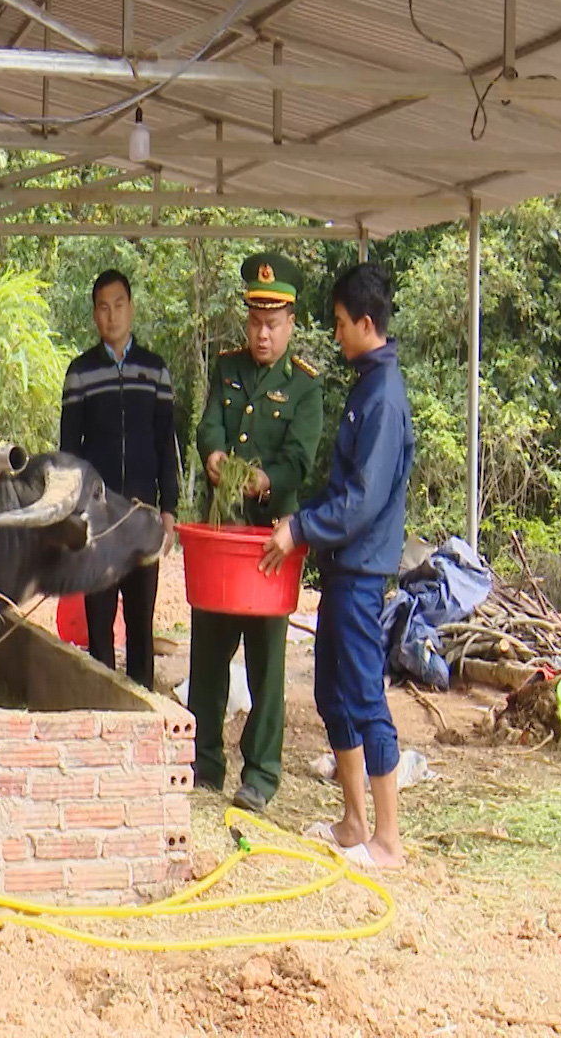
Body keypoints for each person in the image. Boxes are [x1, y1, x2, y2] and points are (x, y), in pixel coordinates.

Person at [260, 260, 415, 871]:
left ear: (367, 323)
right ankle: (353, 820)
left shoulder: (383, 398)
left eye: (342, 323)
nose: (336, 333)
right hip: (342, 567)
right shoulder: (365, 385)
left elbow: (362, 501)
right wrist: (301, 522)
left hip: (362, 568)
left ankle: (388, 840)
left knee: (363, 693)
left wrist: (299, 527)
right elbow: (338, 486)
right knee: (330, 690)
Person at [189, 252, 324, 814]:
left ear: (291, 323)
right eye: (254, 321)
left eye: (272, 323)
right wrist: (216, 456)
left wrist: (265, 481)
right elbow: (208, 427)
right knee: (208, 653)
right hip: (224, 534)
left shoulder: (305, 387)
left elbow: (300, 460)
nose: (262, 333)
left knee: (267, 662)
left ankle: (261, 775)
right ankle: (203, 763)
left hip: (272, 540)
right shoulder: (227, 369)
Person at [59, 269, 179, 690]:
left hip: (144, 517)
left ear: (131, 307)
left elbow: (167, 446)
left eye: (119, 305)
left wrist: (169, 510)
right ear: (94, 314)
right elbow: (69, 452)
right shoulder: (80, 373)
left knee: (141, 622)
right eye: (103, 308)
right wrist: (76, 512)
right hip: (100, 522)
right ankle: (103, 704)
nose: (111, 315)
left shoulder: (156, 371)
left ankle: (142, 702)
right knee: (99, 621)